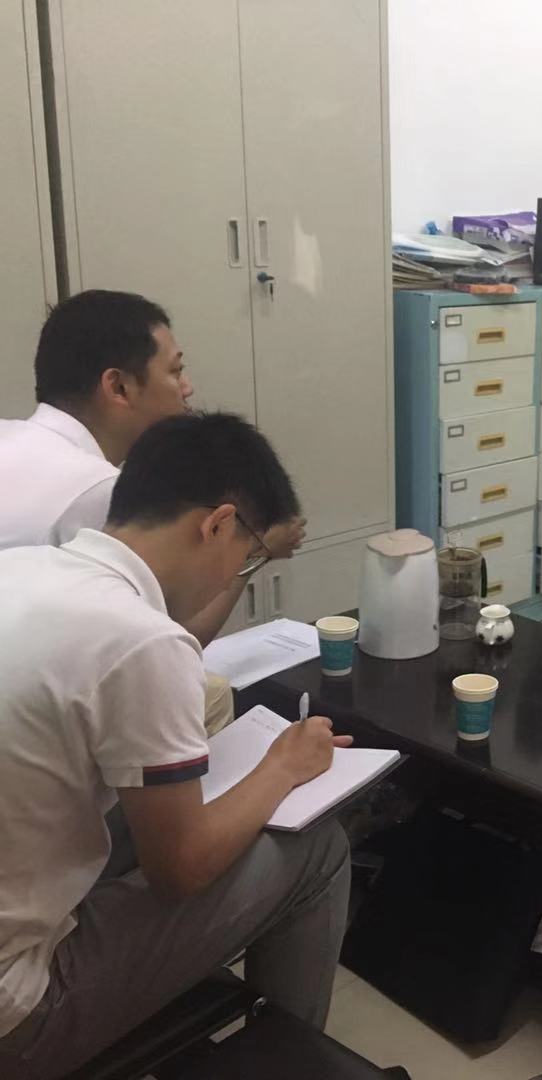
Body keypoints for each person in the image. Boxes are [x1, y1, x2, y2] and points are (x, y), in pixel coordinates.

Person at [0, 412, 352, 1080]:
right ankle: (292, 1066)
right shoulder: (141, 639)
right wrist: (282, 765)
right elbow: (180, 870)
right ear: (217, 525)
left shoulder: (20, 567)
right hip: (18, 1013)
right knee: (319, 850)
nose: (236, 573)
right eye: (248, 556)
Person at [0, 290, 305, 734]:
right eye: (175, 371)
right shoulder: (96, 490)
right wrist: (254, 552)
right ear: (118, 386)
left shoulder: (9, 437)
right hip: (32, 719)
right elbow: (162, 640)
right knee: (207, 696)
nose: (188, 388)